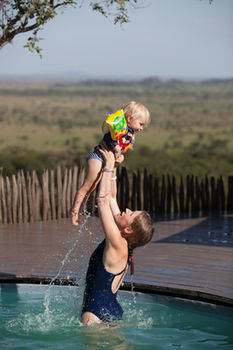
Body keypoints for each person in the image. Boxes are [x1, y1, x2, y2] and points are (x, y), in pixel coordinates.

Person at [81, 146, 154, 326]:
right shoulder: (123, 242)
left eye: (131, 213)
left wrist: (107, 165)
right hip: (112, 310)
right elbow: (112, 198)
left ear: (128, 229)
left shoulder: (116, 242)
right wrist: (113, 166)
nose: (127, 209)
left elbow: (102, 201)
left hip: (95, 315)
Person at [71, 101, 150, 226]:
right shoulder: (120, 128)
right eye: (140, 124)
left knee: (93, 187)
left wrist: (120, 157)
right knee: (88, 185)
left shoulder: (129, 134)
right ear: (129, 119)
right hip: (98, 156)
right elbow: (108, 138)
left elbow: (120, 149)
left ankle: (82, 210)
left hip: (107, 160)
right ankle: (75, 211)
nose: (141, 128)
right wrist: (116, 147)